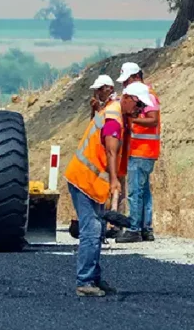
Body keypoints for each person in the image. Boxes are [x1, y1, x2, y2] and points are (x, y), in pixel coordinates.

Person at [64, 75, 153, 297]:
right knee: (92, 231)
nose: (140, 111)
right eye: (139, 105)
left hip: (93, 183)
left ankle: (94, 278)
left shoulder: (120, 115)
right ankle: (84, 281)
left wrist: (117, 184)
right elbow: (111, 152)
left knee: (98, 230)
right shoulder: (114, 118)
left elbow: (119, 157)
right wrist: (114, 181)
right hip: (83, 180)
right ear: (129, 98)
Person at [115, 62, 161, 243]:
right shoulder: (141, 94)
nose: (124, 85)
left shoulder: (146, 96)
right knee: (144, 192)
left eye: (126, 81)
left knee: (135, 192)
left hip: (142, 150)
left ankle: (134, 229)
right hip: (144, 151)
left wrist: (132, 119)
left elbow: (153, 120)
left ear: (135, 77)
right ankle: (146, 229)